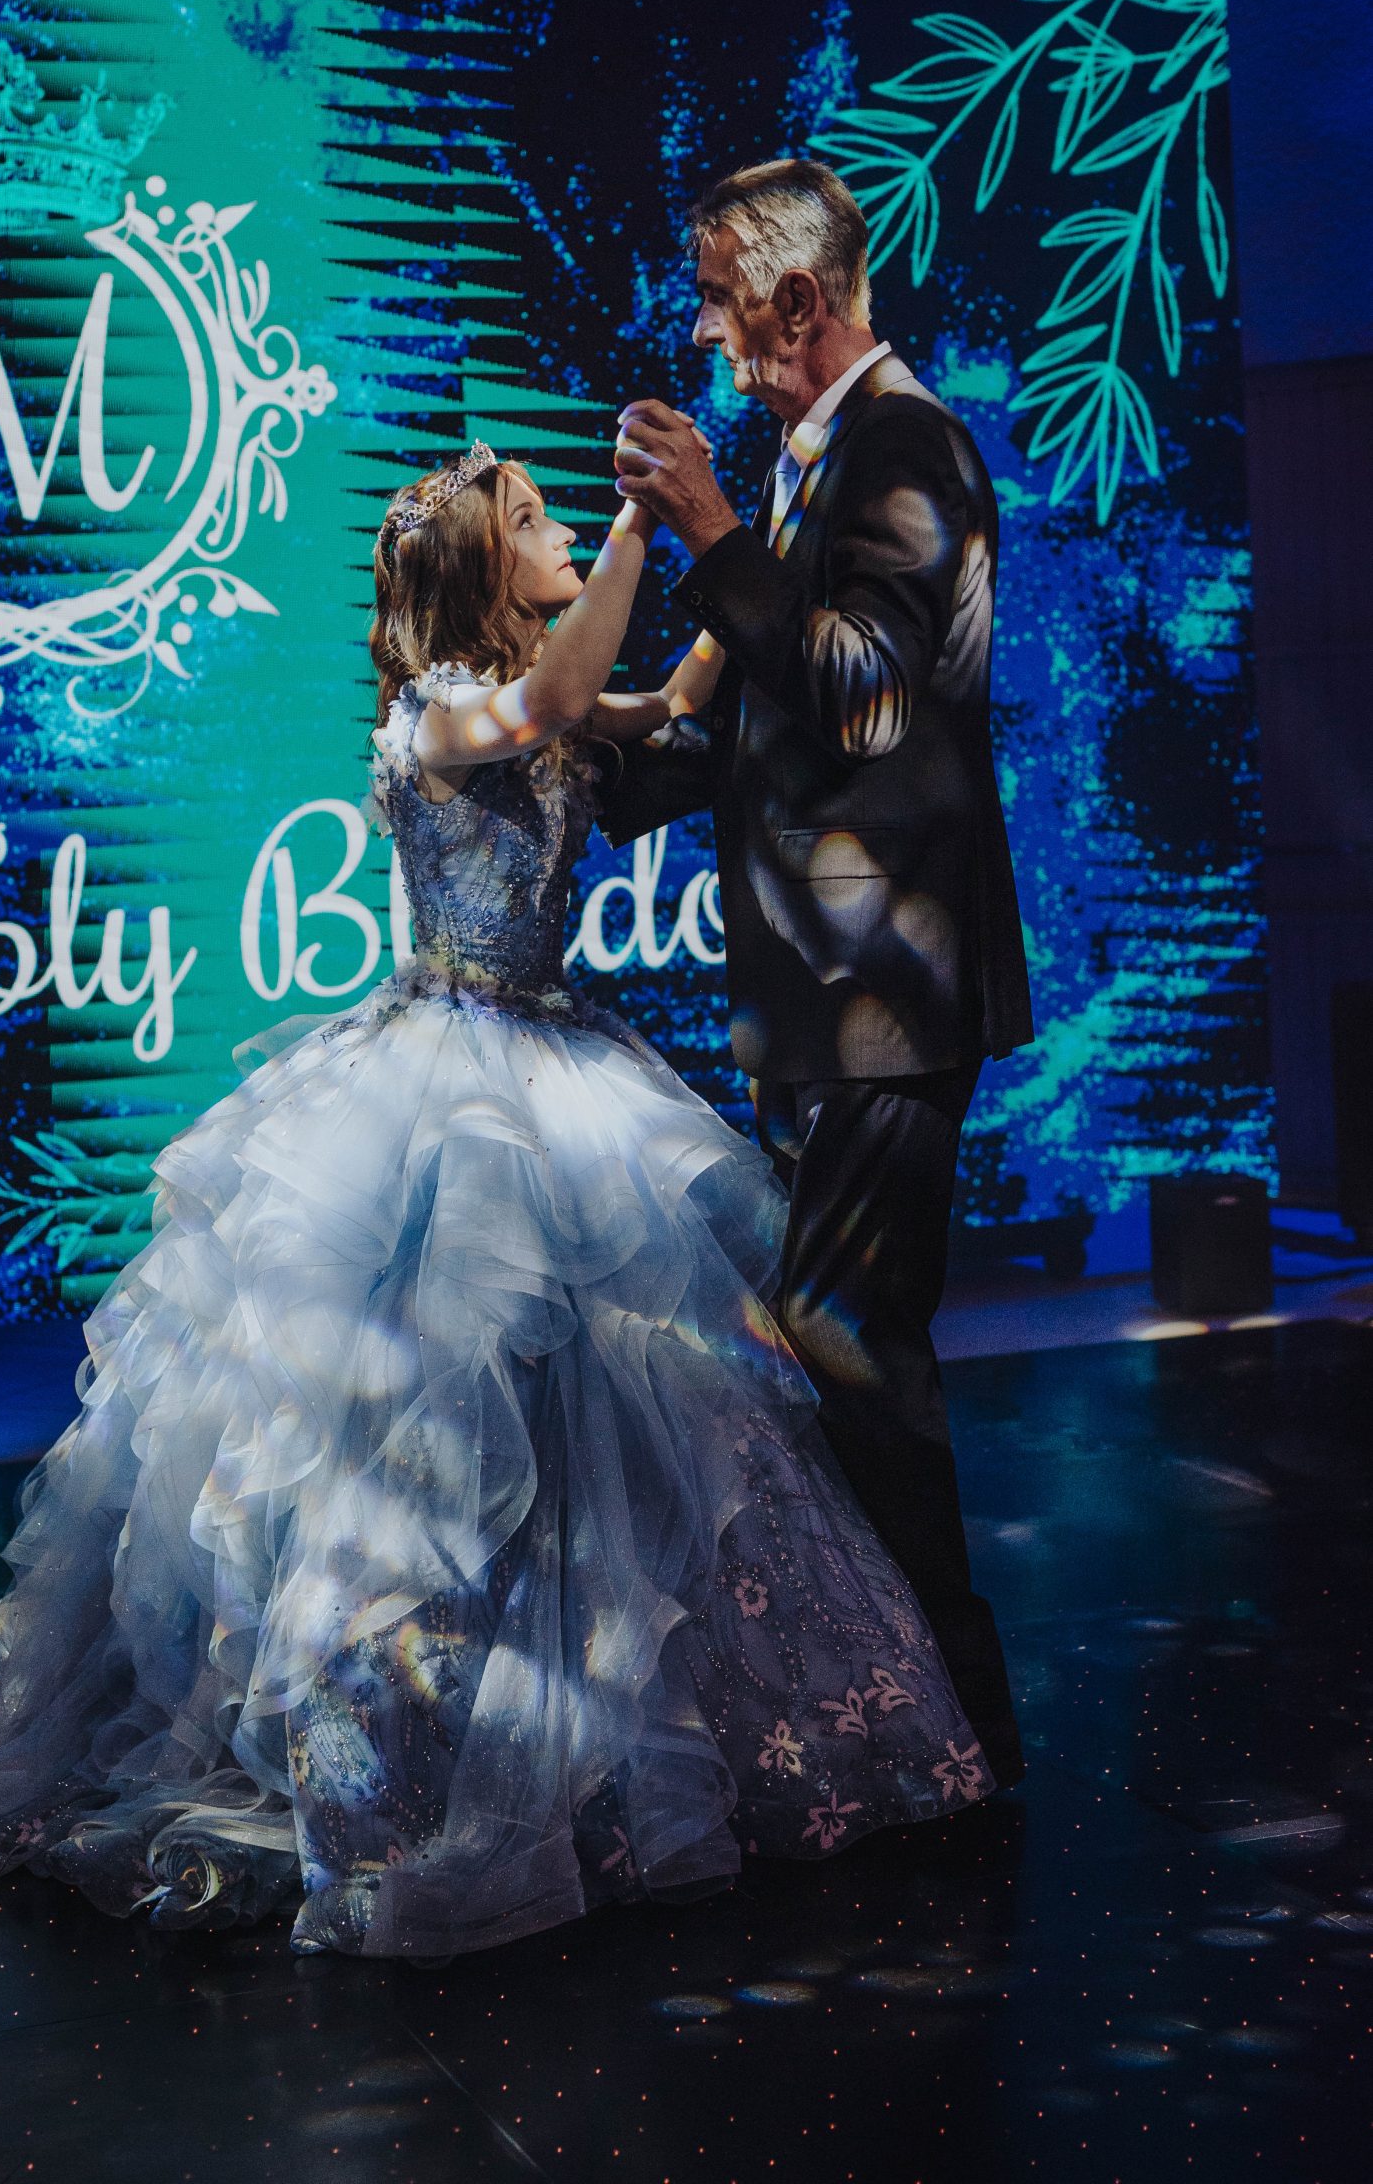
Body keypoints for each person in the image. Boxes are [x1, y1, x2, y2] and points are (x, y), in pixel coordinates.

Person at [0, 439, 991, 1963]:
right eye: (535, 520)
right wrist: (646, 525)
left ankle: (588, 1744)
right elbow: (558, 703)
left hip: (555, 1062)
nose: (562, 530)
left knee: (604, 1414)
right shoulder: (438, 714)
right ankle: (412, 1750)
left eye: (563, 515)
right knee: (440, 1417)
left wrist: (745, 558)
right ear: (480, 567)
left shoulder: (540, 701)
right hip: (446, 1078)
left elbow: (665, 701)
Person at [602, 156, 1033, 1790]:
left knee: (853, 1349)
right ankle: (895, 1717)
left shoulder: (909, 445)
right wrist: (559, 767)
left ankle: (961, 1729)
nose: (704, 332)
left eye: (719, 298)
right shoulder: (813, 465)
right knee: (826, 1353)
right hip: (817, 1002)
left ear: (797, 301)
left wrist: (715, 527)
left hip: (885, 1000)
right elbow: (751, 726)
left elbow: (863, 700)